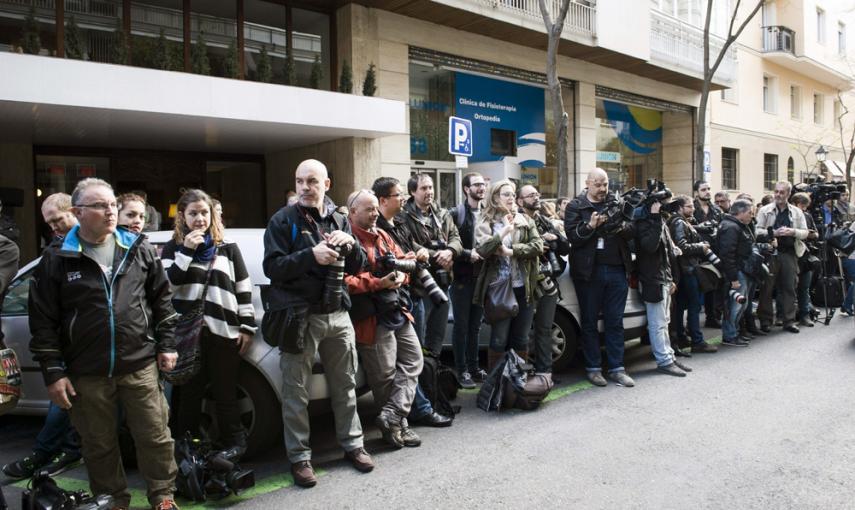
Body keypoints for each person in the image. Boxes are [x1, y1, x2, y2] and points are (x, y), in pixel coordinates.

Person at [28, 178, 179, 510]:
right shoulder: (56, 257)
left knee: (155, 436)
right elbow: (42, 322)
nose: (110, 211)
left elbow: (163, 302)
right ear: (79, 212)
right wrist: (54, 373)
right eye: (100, 205)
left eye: (112, 204)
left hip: (139, 364)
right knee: (98, 444)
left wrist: (167, 345)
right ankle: (113, 500)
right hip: (87, 372)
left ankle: (163, 496)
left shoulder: (137, 248)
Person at [262, 159, 372, 488]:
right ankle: (299, 458)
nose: (305, 188)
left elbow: (361, 264)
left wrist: (350, 245)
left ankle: (353, 445)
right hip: (300, 316)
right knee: (296, 392)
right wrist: (312, 256)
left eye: (312, 181)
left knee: (346, 385)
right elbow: (272, 268)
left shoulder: (340, 218)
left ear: (327, 184)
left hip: (338, 313)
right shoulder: (282, 220)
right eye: (300, 181)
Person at [161, 189, 256, 458]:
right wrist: (187, 250)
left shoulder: (227, 248)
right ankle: (188, 450)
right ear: (183, 216)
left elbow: (243, 288)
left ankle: (234, 447)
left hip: (224, 331)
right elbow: (169, 285)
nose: (200, 218)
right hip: (188, 336)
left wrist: (247, 327)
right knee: (189, 396)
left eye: (204, 212)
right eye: (193, 213)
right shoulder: (173, 247)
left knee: (225, 393)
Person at [3, 194, 82, 480]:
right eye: (49, 224)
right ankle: (55, 452)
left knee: (66, 401)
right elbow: (42, 307)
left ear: (74, 211)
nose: (55, 228)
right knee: (65, 399)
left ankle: (49, 452)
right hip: (69, 343)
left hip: (91, 344)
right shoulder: (54, 252)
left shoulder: (97, 247)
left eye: (58, 220)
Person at [345, 189, 423, 449]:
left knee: (414, 360)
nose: (374, 213)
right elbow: (344, 283)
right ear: (352, 212)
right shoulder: (346, 241)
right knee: (384, 376)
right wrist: (377, 282)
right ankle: (397, 429)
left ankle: (392, 415)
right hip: (370, 319)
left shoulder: (383, 236)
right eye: (368, 209)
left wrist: (401, 276)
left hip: (396, 310)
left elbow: (403, 264)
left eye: (375, 208)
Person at [372, 176, 452, 428]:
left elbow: (413, 252)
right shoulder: (379, 230)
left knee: (414, 360)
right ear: (383, 200)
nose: (403, 199)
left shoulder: (398, 225)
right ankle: (416, 410)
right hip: (395, 302)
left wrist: (421, 253)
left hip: (412, 296)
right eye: (399, 195)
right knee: (406, 362)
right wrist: (413, 258)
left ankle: (417, 408)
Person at [565, 168, 634, 387]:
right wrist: (591, 226)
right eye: (598, 184)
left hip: (616, 270)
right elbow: (573, 238)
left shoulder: (615, 202)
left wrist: (620, 225)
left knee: (615, 321)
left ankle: (617, 368)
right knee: (589, 322)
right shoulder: (576, 206)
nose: (603, 189)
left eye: (605, 184)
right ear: (587, 183)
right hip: (589, 273)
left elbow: (632, 230)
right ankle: (593, 368)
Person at [475, 180, 543, 370]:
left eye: (513, 194)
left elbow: (537, 246)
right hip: (500, 289)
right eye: (506, 194)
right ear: (496, 198)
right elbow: (483, 249)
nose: (511, 198)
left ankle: (517, 382)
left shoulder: (525, 220)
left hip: (524, 287)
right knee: (499, 339)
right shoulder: (486, 221)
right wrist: (505, 230)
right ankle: (496, 383)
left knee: (521, 338)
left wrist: (511, 252)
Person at [398, 174, 463, 356]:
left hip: (442, 280)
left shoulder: (443, 214)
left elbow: (456, 238)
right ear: (413, 192)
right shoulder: (403, 217)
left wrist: (450, 251)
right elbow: (409, 244)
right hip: (419, 283)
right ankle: (420, 376)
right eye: (424, 188)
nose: (429, 192)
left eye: (431, 187)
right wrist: (438, 255)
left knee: (437, 334)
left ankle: (432, 369)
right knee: (418, 334)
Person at [634, 197, 693, 376]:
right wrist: (653, 217)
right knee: (657, 324)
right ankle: (664, 360)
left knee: (664, 322)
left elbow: (667, 252)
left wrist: (672, 279)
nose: (667, 207)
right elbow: (650, 246)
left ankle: (669, 356)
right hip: (652, 280)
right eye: (663, 203)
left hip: (663, 278)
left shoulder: (660, 221)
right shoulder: (645, 222)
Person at [518, 185, 569, 374]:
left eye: (537, 194)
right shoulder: (516, 221)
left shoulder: (545, 220)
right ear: (520, 201)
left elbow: (565, 248)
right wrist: (540, 240)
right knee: (521, 332)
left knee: (545, 328)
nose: (536, 198)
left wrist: (554, 236)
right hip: (524, 283)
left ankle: (545, 373)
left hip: (547, 282)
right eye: (530, 195)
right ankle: (519, 373)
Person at [447, 173, 487, 388]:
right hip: (462, 279)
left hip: (482, 279)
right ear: (466, 189)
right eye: (476, 185)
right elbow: (448, 243)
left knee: (475, 327)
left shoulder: (488, 213)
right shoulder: (456, 214)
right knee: (461, 326)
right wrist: (466, 254)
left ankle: (474, 368)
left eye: (483, 184)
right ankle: (462, 371)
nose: (481, 188)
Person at [755, 181, 809, 333]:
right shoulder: (765, 210)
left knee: (789, 288)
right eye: (776, 191)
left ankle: (789, 321)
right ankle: (765, 321)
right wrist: (774, 233)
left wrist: (793, 232)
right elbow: (756, 231)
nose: (778, 195)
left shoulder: (797, 212)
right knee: (767, 288)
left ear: (788, 194)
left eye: (782, 192)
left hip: (789, 253)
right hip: (770, 253)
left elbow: (805, 232)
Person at [668, 195, 718, 354]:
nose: (693, 208)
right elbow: (681, 246)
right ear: (680, 208)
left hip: (684, 270)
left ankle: (682, 337)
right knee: (694, 306)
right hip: (687, 270)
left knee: (682, 305)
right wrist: (701, 246)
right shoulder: (678, 223)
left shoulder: (680, 222)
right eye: (689, 206)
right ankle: (697, 341)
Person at [718, 199, 758, 347]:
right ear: (740, 212)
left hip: (742, 271)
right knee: (735, 305)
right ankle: (729, 336)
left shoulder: (738, 226)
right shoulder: (731, 227)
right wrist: (733, 278)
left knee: (741, 304)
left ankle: (733, 333)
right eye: (749, 213)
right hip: (737, 273)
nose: (752, 216)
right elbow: (727, 255)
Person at [693, 180, 723, 329]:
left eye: (708, 189)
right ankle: (692, 323)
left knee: (713, 285)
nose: (707, 191)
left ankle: (712, 317)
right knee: (695, 288)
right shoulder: (691, 208)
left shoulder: (716, 210)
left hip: (713, 251)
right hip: (696, 252)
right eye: (703, 189)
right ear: (696, 192)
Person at [791, 192, 819, 327]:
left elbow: (816, 233)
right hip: (791, 255)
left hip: (806, 256)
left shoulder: (807, 216)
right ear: (795, 204)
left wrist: (811, 234)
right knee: (788, 288)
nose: (804, 209)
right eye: (803, 205)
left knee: (804, 287)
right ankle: (786, 317)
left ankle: (805, 315)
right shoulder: (789, 216)